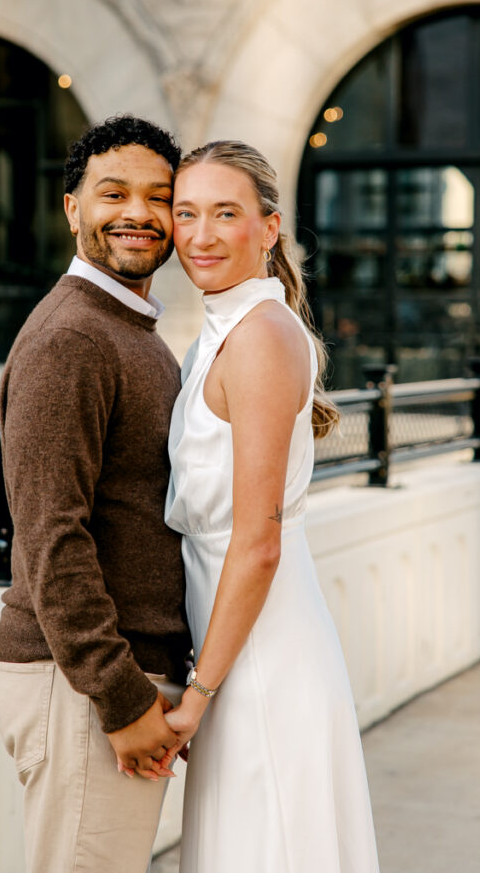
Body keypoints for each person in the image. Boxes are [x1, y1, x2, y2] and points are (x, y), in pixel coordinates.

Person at [163, 141, 380, 872]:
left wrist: (196, 694)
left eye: (225, 213)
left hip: (257, 654)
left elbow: (258, 540)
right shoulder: (224, 328)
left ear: (268, 227)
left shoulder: (258, 336)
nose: (199, 234)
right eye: (185, 213)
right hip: (233, 642)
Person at [0, 115, 191, 873]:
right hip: (82, 680)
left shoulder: (130, 330)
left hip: (115, 673)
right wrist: (120, 694)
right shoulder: (73, 337)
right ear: (72, 208)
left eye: (157, 197)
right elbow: (50, 536)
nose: (137, 213)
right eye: (113, 194)